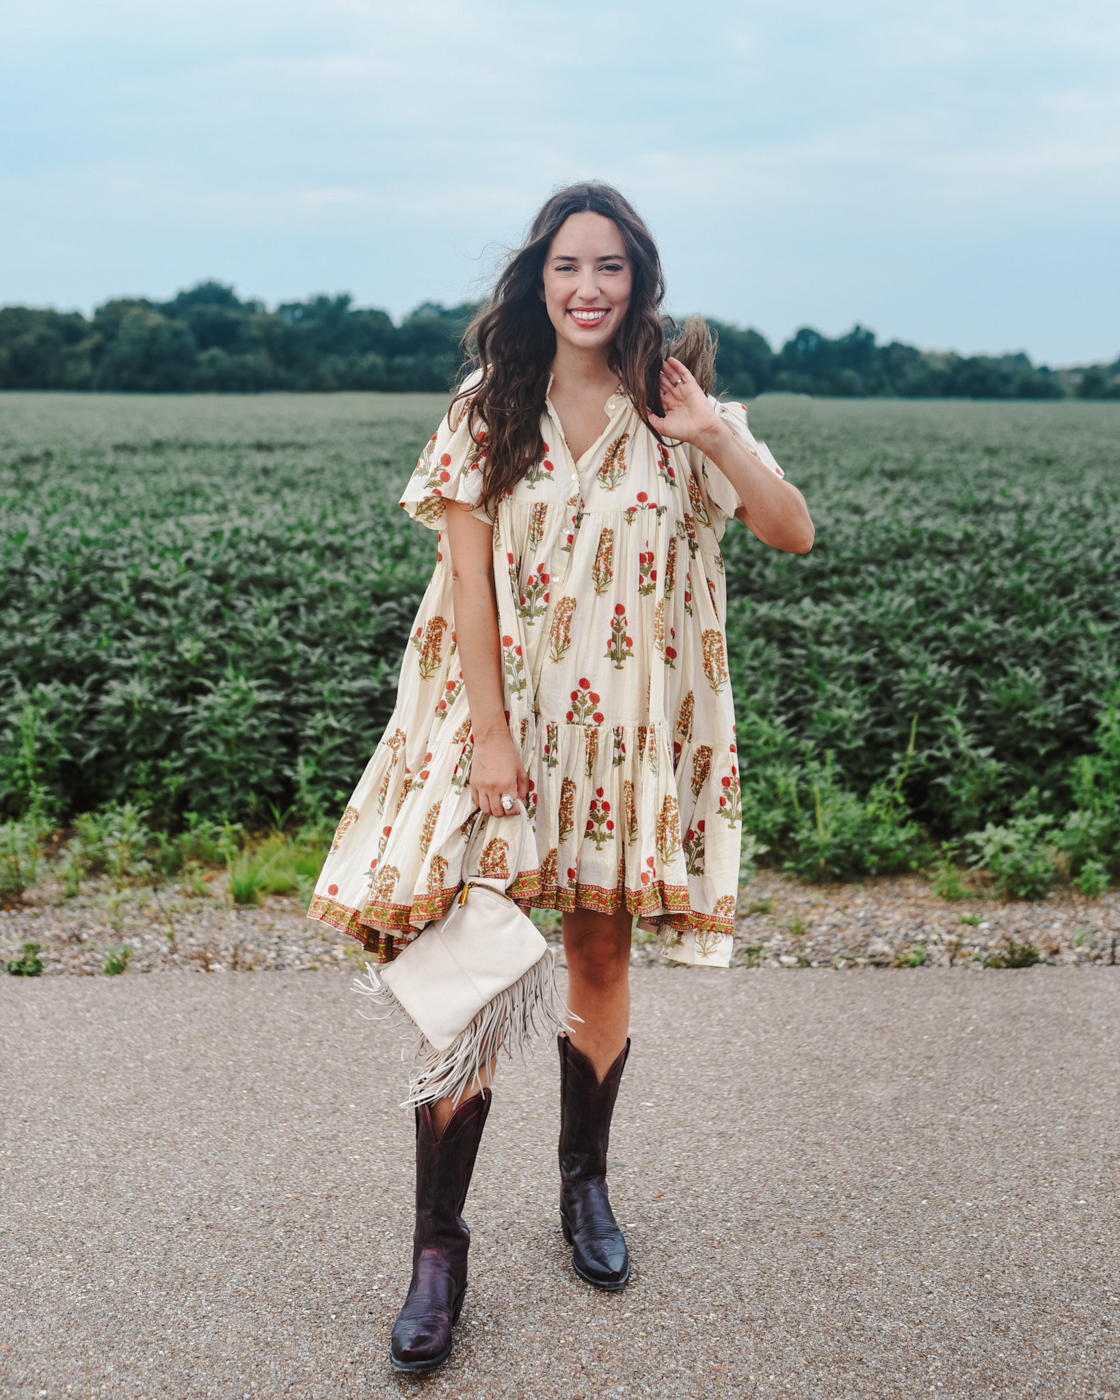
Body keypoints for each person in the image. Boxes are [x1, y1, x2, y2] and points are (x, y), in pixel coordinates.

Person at [308, 182, 814, 1372]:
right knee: (471, 961)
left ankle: (583, 1183)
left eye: (611, 268)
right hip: (500, 723)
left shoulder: (680, 406)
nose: (588, 288)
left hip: (629, 729)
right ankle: (438, 1249)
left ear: (639, 281)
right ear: (536, 280)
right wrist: (490, 738)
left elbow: (790, 529)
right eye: (566, 267)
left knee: (598, 948)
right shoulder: (490, 408)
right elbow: (470, 588)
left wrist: (714, 438)